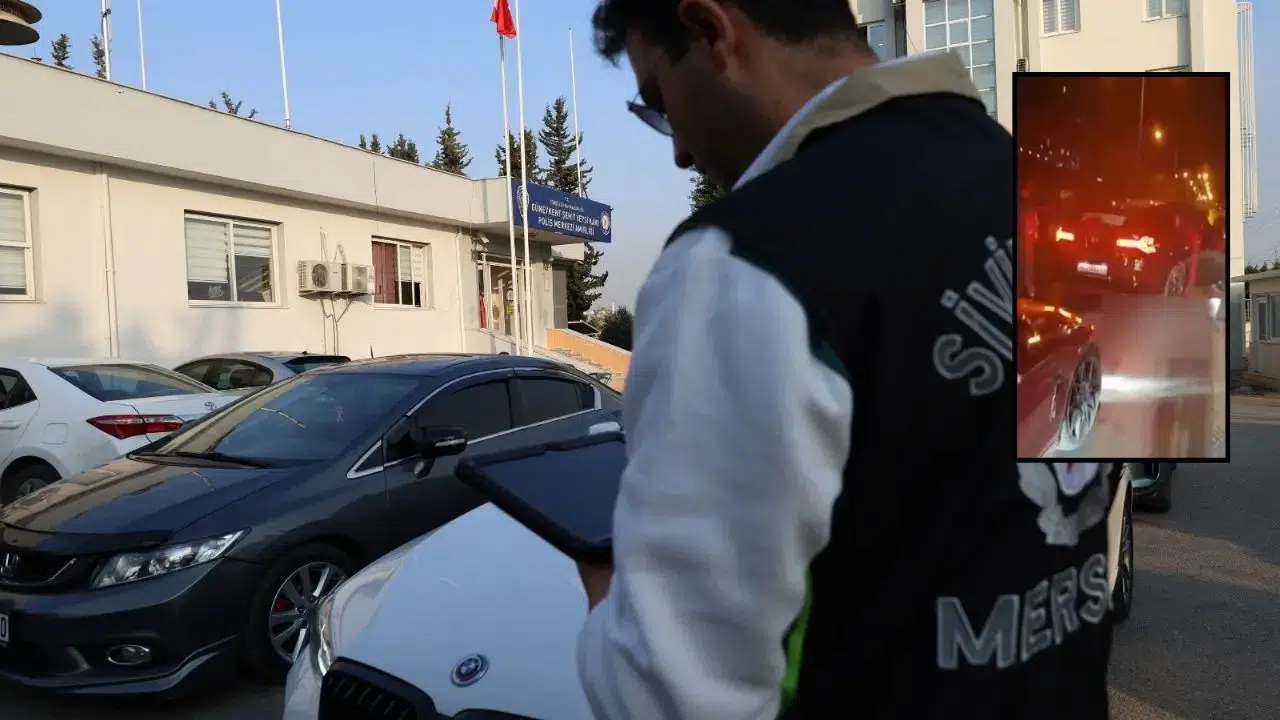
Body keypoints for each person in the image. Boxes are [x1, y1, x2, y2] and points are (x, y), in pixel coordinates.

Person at [574, 1, 1115, 718]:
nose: (678, 149)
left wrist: (611, 605)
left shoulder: (743, 263)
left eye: (659, 100)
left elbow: (675, 695)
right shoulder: (1050, 190)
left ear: (711, 31)